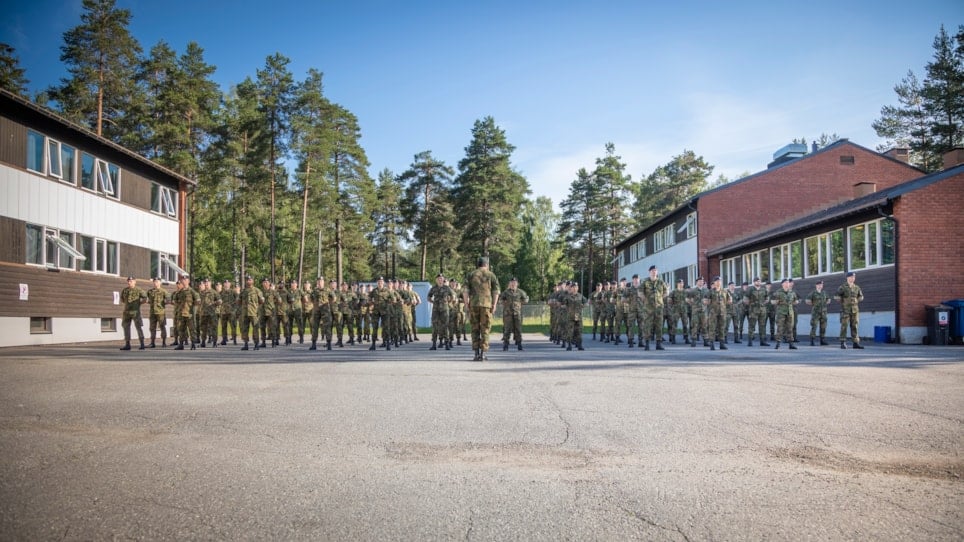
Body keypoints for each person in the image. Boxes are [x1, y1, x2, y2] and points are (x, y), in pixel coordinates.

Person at [463, 256, 501, 361]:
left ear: (478, 264)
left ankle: (476, 353)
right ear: (487, 265)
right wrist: (494, 304)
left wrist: (466, 304)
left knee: (475, 328)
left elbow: (465, 291)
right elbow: (496, 291)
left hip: (474, 305)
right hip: (486, 305)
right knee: (485, 329)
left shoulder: (471, 274)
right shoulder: (491, 275)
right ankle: (483, 354)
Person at [640, 265, 667, 350]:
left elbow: (666, 292)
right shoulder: (645, 282)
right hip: (648, 308)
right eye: (652, 270)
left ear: (657, 272)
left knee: (659, 325)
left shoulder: (661, 282)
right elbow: (640, 292)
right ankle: (647, 343)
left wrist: (660, 298)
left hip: (659, 307)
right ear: (649, 272)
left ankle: (658, 344)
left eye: (655, 270)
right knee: (647, 325)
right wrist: (644, 299)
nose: (654, 272)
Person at [500, 277, 530, 351]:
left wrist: (520, 303)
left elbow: (526, 299)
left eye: (514, 282)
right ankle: (505, 344)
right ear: (509, 283)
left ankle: (519, 344)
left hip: (517, 313)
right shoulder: (506, 292)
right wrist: (504, 303)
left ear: (517, 284)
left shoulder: (520, 292)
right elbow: (500, 299)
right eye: (512, 282)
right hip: (508, 313)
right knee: (507, 329)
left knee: (518, 329)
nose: (513, 284)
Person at [837, 271, 865, 349]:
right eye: (851, 277)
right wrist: (841, 300)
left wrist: (858, 299)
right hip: (845, 310)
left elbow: (861, 296)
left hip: (855, 310)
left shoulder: (857, 287)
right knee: (844, 326)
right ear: (847, 278)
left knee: (855, 326)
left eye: (854, 277)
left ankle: (855, 343)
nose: (853, 278)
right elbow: (836, 296)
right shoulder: (843, 287)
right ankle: (843, 342)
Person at [427, 274, 455, 350]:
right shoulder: (433, 288)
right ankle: (434, 344)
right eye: (438, 279)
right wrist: (432, 301)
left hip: (445, 310)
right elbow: (428, 296)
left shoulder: (447, 288)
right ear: (436, 280)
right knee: (435, 327)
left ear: (443, 280)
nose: (440, 280)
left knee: (445, 326)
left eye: (441, 279)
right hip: (435, 310)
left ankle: (446, 344)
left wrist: (448, 302)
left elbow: (453, 297)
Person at [119, 276, 147, 350]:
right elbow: (122, 299)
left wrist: (140, 302)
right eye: (128, 281)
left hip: (135, 312)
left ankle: (142, 343)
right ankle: (127, 344)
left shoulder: (138, 290)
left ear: (135, 282)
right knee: (126, 327)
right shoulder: (125, 290)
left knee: (138, 327)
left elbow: (145, 297)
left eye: (131, 281)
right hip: (127, 312)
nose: (129, 282)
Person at [770, 278, 798, 349]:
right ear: (782, 284)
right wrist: (776, 302)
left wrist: (795, 302)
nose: (787, 284)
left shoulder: (792, 292)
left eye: (788, 282)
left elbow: (796, 301)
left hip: (790, 312)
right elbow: (772, 301)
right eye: (786, 282)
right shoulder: (778, 292)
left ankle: (791, 344)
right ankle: (778, 343)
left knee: (790, 328)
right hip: (781, 312)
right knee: (780, 328)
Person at [705, 276, 731, 351]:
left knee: (722, 328)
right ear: (714, 283)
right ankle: (712, 344)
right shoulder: (710, 291)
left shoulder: (725, 291)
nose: (718, 282)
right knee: (712, 328)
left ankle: (722, 344)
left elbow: (729, 300)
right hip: (713, 313)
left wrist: (729, 301)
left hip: (722, 312)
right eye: (717, 281)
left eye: (720, 281)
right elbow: (705, 300)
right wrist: (706, 301)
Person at [309, 277, 335, 351]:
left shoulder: (327, 290)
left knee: (327, 327)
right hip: (316, 311)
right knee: (314, 327)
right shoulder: (314, 291)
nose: (320, 283)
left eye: (321, 281)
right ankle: (313, 344)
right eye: (319, 281)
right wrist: (314, 304)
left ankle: (329, 344)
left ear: (323, 282)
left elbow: (334, 298)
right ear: (317, 282)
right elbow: (311, 298)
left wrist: (328, 304)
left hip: (325, 311)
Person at [239, 275, 264, 351]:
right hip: (245, 313)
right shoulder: (243, 291)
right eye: (247, 280)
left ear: (253, 281)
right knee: (245, 329)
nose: (248, 281)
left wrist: (256, 307)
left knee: (255, 328)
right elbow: (239, 301)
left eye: (250, 280)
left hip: (254, 312)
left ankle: (256, 344)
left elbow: (261, 301)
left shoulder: (257, 290)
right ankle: (246, 344)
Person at [744, 277, 770, 347]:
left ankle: (762, 341)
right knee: (752, 325)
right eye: (757, 281)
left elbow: (767, 297)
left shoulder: (763, 289)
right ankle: (750, 341)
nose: (758, 282)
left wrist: (766, 301)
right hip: (753, 310)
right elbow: (745, 298)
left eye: (759, 281)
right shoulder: (750, 289)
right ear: (754, 282)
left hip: (762, 310)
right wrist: (748, 303)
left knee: (762, 326)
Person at [805, 280, 832, 346]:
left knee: (823, 327)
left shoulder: (824, 293)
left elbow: (829, 299)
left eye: (822, 285)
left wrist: (826, 303)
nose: (820, 286)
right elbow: (807, 300)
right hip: (816, 312)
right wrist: (814, 304)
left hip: (823, 312)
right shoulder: (813, 293)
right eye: (819, 285)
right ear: (816, 285)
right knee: (814, 326)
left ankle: (822, 340)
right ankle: (812, 340)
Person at [562, 281, 586, 351]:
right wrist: (565, 306)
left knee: (579, 331)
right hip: (570, 316)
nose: (575, 288)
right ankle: (569, 345)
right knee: (570, 331)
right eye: (573, 287)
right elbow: (563, 304)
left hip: (578, 316)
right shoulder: (568, 296)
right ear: (571, 288)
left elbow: (586, 302)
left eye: (576, 287)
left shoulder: (580, 296)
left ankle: (579, 345)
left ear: (578, 288)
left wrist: (583, 305)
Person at [145, 276, 169, 348]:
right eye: (154, 282)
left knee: (162, 327)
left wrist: (164, 303)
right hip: (152, 312)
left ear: (160, 283)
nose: (156, 283)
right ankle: (152, 343)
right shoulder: (150, 291)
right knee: (152, 328)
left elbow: (168, 300)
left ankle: (164, 342)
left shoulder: (164, 291)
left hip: (160, 312)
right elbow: (147, 300)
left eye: (157, 282)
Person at [667, 279, 690, 345]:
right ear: (677, 284)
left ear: (683, 284)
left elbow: (690, 300)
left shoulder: (686, 292)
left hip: (684, 310)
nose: (681, 284)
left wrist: (688, 301)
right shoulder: (673, 292)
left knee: (685, 325)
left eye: (682, 283)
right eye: (679, 283)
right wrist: (670, 301)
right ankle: (673, 338)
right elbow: (669, 300)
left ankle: (686, 338)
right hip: (676, 311)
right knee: (674, 325)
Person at [219, 279, 239, 345]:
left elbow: (238, 300)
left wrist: (235, 309)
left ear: (230, 284)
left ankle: (234, 339)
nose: (226, 284)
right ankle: (224, 339)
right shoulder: (221, 292)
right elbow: (219, 300)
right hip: (223, 312)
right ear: (223, 284)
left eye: (228, 283)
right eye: (225, 283)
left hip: (231, 312)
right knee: (223, 326)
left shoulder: (233, 292)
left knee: (233, 326)